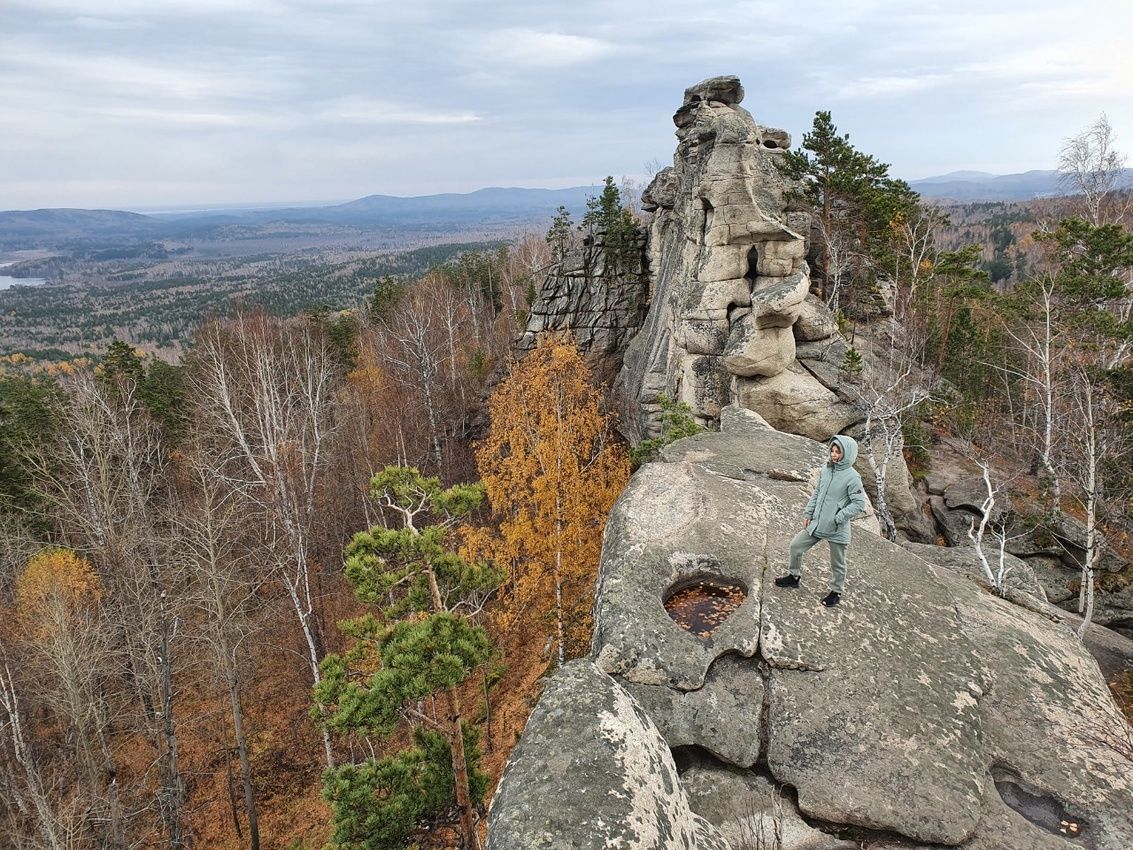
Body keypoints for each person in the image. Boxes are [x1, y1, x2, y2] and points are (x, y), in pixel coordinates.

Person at [774, 434, 866, 607]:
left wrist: (839, 517)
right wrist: (808, 514)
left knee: (837, 563)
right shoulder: (826, 470)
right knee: (795, 546)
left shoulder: (853, 477)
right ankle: (794, 577)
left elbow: (859, 504)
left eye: (838, 452)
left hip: (837, 528)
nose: (834, 454)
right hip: (818, 522)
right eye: (832, 450)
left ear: (847, 453)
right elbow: (817, 493)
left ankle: (836, 591)